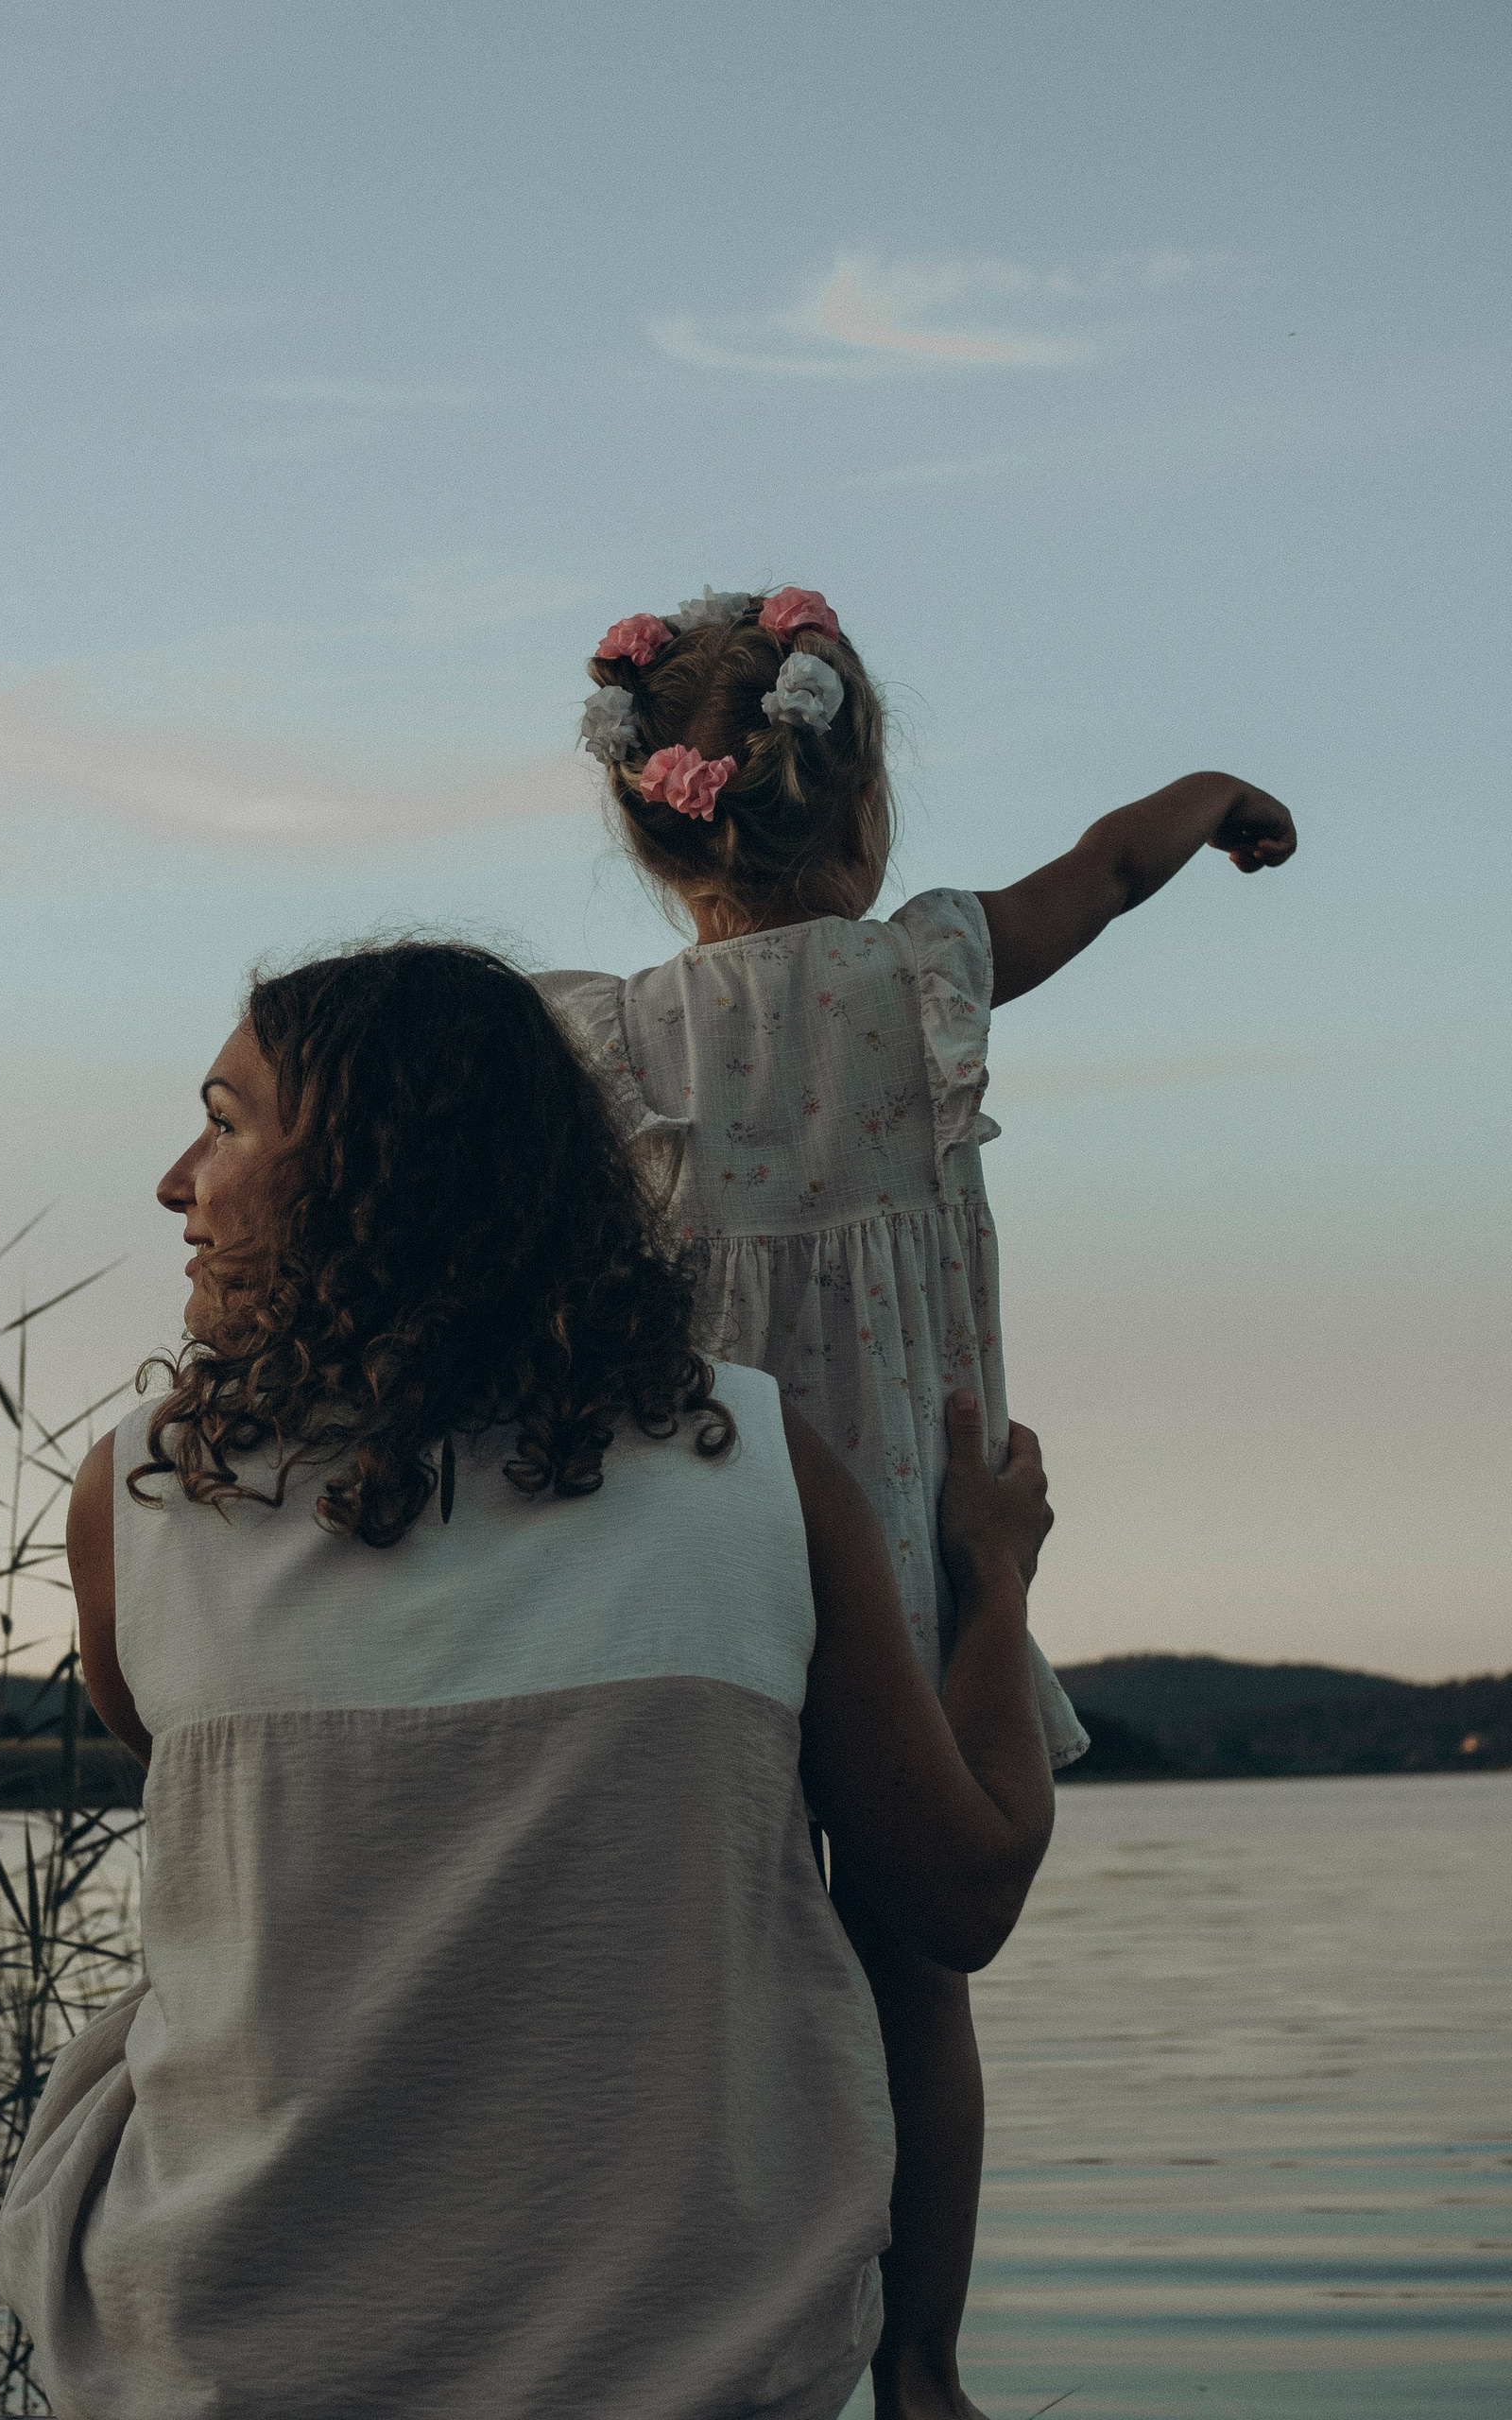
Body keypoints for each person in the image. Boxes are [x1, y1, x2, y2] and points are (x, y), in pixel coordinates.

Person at [0, 942, 1058, 2420]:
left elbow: (180, 1775)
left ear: (375, 1176)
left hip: (222, 2362)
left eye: (227, 1124)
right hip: (686, 2370)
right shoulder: (747, 1461)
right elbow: (966, 1893)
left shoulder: (144, 1500)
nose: (178, 1183)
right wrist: (994, 1580)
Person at [544, 584, 1298, 2420]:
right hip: (912, 1540)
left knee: (696, 1974)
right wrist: (1208, 795)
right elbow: (1102, 873)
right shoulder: (926, 966)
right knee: (913, 1984)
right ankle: (922, 2366)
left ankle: (669, 2331)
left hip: (694, 1554)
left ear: (650, 816)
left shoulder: (612, 1036)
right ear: (858, 802)